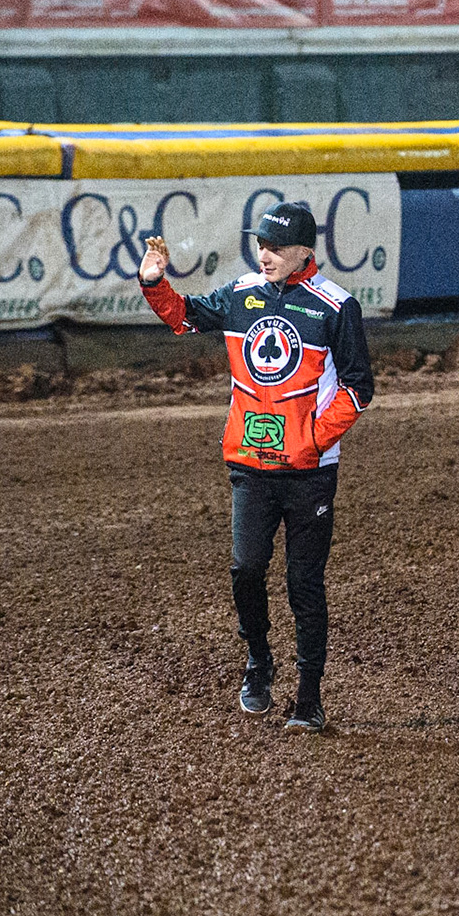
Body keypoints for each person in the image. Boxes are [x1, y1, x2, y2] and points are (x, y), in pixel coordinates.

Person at [137, 201, 374, 732]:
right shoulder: (241, 293)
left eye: (276, 248)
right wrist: (154, 283)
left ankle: (309, 697)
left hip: (310, 472)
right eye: (261, 245)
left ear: (305, 252)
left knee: (303, 583)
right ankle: (259, 661)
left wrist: (312, 440)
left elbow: (359, 388)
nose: (265, 255)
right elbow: (184, 316)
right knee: (246, 569)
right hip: (250, 466)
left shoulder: (337, 306)